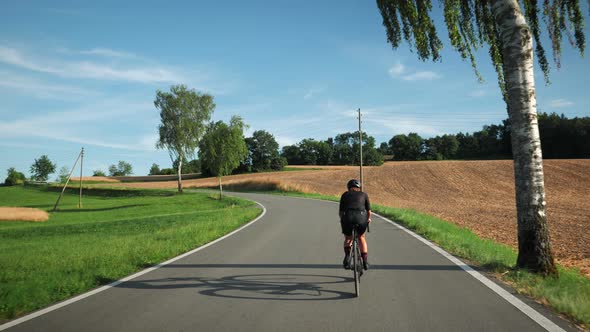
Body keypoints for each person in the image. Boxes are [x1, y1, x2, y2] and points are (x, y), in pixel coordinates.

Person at [339, 179, 371, 270]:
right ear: (359, 187)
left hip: (348, 217)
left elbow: (341, 211)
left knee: (348, 238)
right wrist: (368, 219)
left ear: (348, 187)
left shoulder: (345, 195)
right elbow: (368, 211)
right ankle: (365, 262)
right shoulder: (364, 195)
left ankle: (347, 256)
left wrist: (342, 220)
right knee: (361, 237)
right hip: (361, 218)